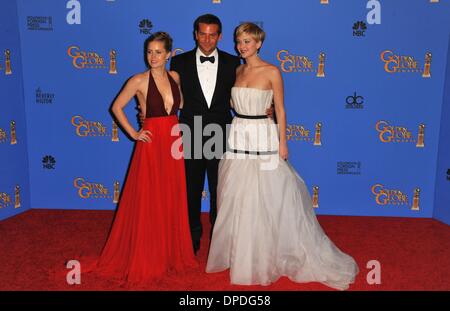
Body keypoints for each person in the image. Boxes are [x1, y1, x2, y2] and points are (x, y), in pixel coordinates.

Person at [206, 23, 359, 290]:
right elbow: (233, 103)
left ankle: (270, 252)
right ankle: (243, 254)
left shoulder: (272, 71)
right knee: (237, 194)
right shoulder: (237, 70)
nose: (242, 46)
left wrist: (282, 141)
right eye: (239, 41)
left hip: (263, 135)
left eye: (248, 42)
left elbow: (281, 110)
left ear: (259, 44)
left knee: (268, 194)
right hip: (239, 134)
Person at [87, 32, 196, 283]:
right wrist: (135, 132)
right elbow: (116, 107)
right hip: (152, 141)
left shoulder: (175, 76)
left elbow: (180, 105)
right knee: (149, 199)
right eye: (149, 51)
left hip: (173, 138)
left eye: (158, 52)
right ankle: (149, 255)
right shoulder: (137, 80)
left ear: (169, 54)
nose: (153, 57)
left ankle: (170, 254)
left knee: (171, 196)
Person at [168, 14, 241, 255]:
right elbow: (170, 96)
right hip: (189, 131)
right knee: (190, 189)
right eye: (203, 34)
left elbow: (241, 95)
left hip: (222, 132)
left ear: (220, 36)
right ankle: (192, 238)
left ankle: (219, 240)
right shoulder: (179, 62)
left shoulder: (234, 63)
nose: (207, 40)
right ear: (195, 34)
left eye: (212, 35)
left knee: (221, 190)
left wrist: (265, 108)